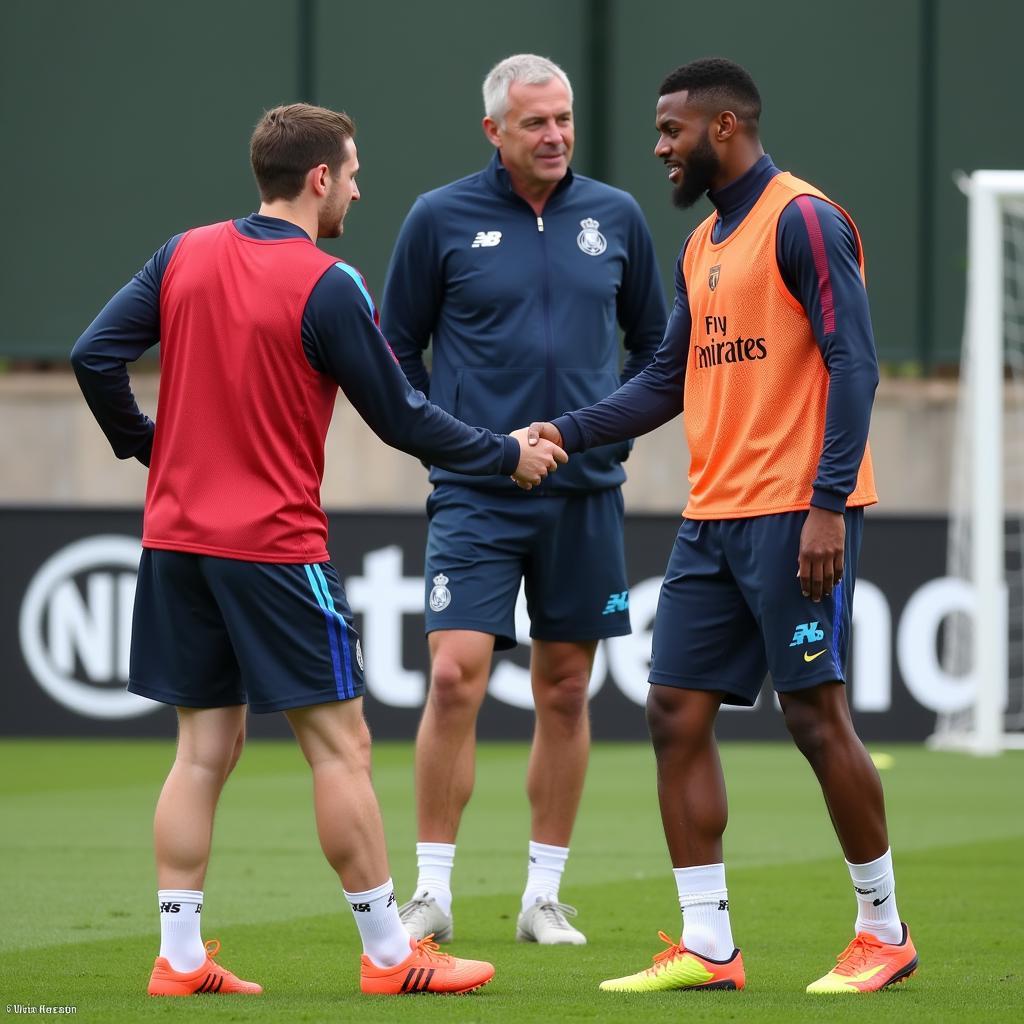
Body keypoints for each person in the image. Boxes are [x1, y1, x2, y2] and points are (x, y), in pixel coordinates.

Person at [70, 103, 566, 998]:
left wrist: (153, 447)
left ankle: (179, 962)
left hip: (175, 538)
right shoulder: (327, 282)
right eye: (354, 170)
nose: (360, 186)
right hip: (270, 546)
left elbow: (93, 355)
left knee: (199, 753)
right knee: (341, 748)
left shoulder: (182, 252)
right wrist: (507, 453)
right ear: (319, 180)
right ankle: (389, 955)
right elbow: (403, 417)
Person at [526, 58, 917, 994]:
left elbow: (853, 365)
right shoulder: (702, 246)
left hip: (796, 512)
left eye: (673, 132)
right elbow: (667, 379)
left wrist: (829, 503)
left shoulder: (804, 220)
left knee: (817, 719)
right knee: (673, 712)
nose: (660, 148)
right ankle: (707, 945)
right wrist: (566, 431)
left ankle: (884, 930)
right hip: (716, 513)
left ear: (725, 128)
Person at [381, 54, 667, 946]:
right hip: (475, 490)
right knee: (457, 671)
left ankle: (542, 895)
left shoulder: (615, 216)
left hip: (584, 493)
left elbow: (658, 352)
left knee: (568, 687)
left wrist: (593, 435)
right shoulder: (439, 218)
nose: (555, 136)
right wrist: (473, 447)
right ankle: (431, 891)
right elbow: (395, 353)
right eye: (535, 122)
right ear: (494, 131)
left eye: (564, 119)